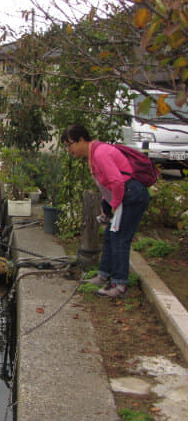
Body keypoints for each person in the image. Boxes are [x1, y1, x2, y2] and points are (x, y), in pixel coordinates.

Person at [61, 124, 150, 297]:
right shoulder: (93, 154)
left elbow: (117, 181)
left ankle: (119, 284)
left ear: (81, 140)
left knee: (120, 238)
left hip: (131, 196)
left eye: (69, 144)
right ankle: (104, 275)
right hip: (122, 195)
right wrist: (106, 207)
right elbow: (106, 184)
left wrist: (115, 204)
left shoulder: (101, 153)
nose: (68, 150)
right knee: (110, 235)